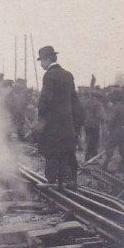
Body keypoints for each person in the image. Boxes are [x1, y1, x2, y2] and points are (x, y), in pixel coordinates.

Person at [35, 46, 83, 189]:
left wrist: (41, 118)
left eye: (41, 61)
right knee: (67, 150)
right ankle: (69, 181)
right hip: (67, 123)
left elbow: (45, 99)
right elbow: (74, 100)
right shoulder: (68, 74)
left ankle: (51, 181)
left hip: (52, 123)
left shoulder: (49, 75)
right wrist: (76, 122)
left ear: (48, 59)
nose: (41, 64)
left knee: (51, 150)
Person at [82, 89, 107, 162]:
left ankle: (89, 155)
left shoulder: (86, 102)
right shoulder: (98, 104)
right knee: (94, 141)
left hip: (86, 124)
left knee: (89, 139)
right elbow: (101, 115)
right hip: (94, 124)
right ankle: (91, 155)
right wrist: (104, 120)